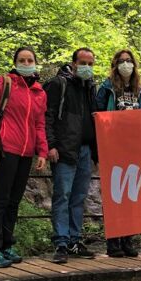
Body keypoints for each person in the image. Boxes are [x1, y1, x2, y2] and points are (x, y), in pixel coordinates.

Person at [0, 47, 49, 268]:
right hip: (5, 148)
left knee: (14, 201)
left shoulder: (39, 92)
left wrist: (43, 151)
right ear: (15, 62)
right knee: (0, 199)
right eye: (22, 60)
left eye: (30, 60)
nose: (26, 63)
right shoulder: (4, 83)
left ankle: (7, 244)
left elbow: (39, 124)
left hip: (26, 152)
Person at [96, 49, 141, 258]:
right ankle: (113, 241)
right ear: (115, 64)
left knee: (131, 194)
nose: (126, 64)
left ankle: (128, 239)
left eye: (129, 61)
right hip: (113, 147)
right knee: (114, 194)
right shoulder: (106, 87)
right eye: (122, 61)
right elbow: (98, 114)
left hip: (135, 148)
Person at [45, 47, 98, 264]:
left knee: (78, 198)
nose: (86, 67)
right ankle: (61, 242)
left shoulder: (90, 88)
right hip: (65, 150)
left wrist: (96, 152)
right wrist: (50, 145)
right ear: (74, 63)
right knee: (62, 196)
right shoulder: (59, 84)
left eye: (90, 64)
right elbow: (47, 115)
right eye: (83, 63)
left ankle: (75, 240)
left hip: (85, 150)